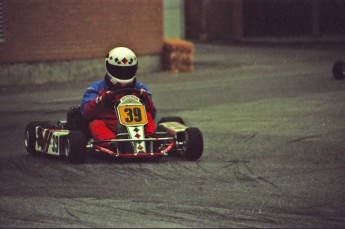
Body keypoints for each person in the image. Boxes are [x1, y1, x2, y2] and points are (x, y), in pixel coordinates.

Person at [81, 47, 156, 150]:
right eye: (118, 70)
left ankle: (149, 139)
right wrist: (101, 100)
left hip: (137, 126)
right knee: (95, 124)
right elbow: (86, 113)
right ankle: (113, 144)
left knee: (147, 115)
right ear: (109, 68)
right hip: (109, 125)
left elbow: (153, 114)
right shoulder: (97, 88)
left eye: (127, 70)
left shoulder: (140, 88)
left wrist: (146, 100)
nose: (123, 74)